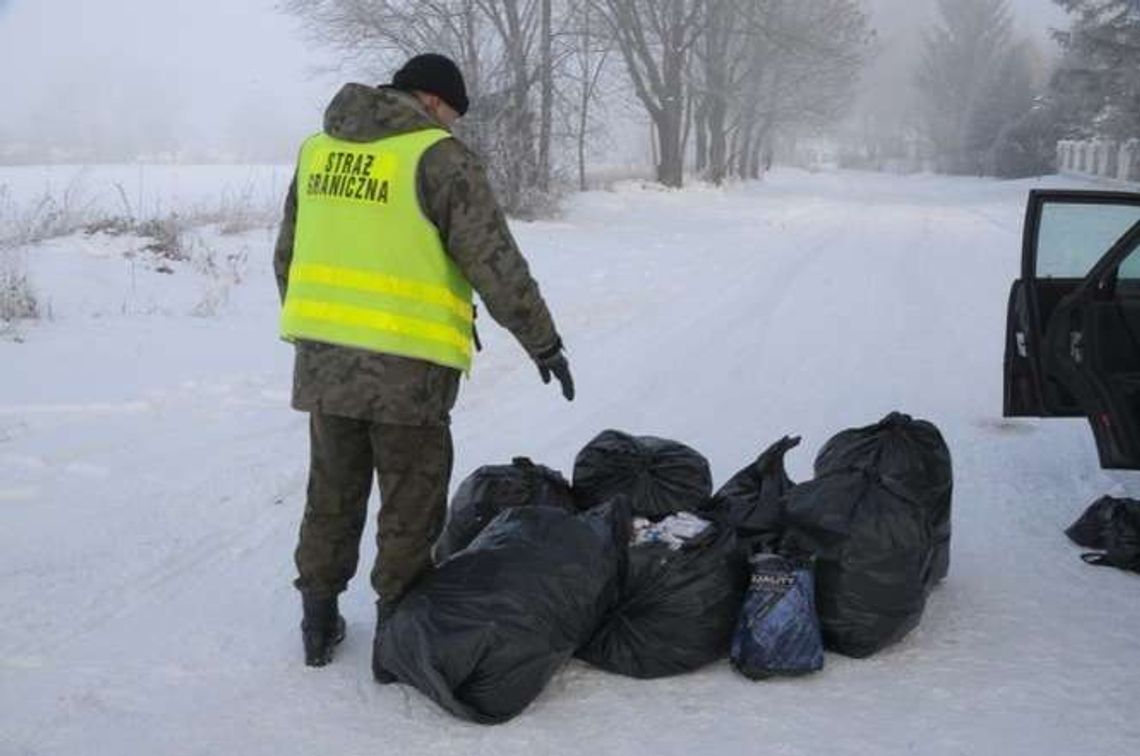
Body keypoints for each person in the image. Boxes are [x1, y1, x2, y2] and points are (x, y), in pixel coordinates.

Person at [272, 53, 573, 680]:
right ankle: (396, 633)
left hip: (326, 363)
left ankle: (317, 620)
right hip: (408, 370)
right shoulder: (438, 158)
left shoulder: (318, 151)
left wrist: (322, 336)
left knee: (332, 490)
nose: (452, 128)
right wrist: (543, 342)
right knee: (411, 500)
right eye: (452, 115)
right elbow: (496, 263)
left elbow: (288, 255)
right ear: (431, 101)